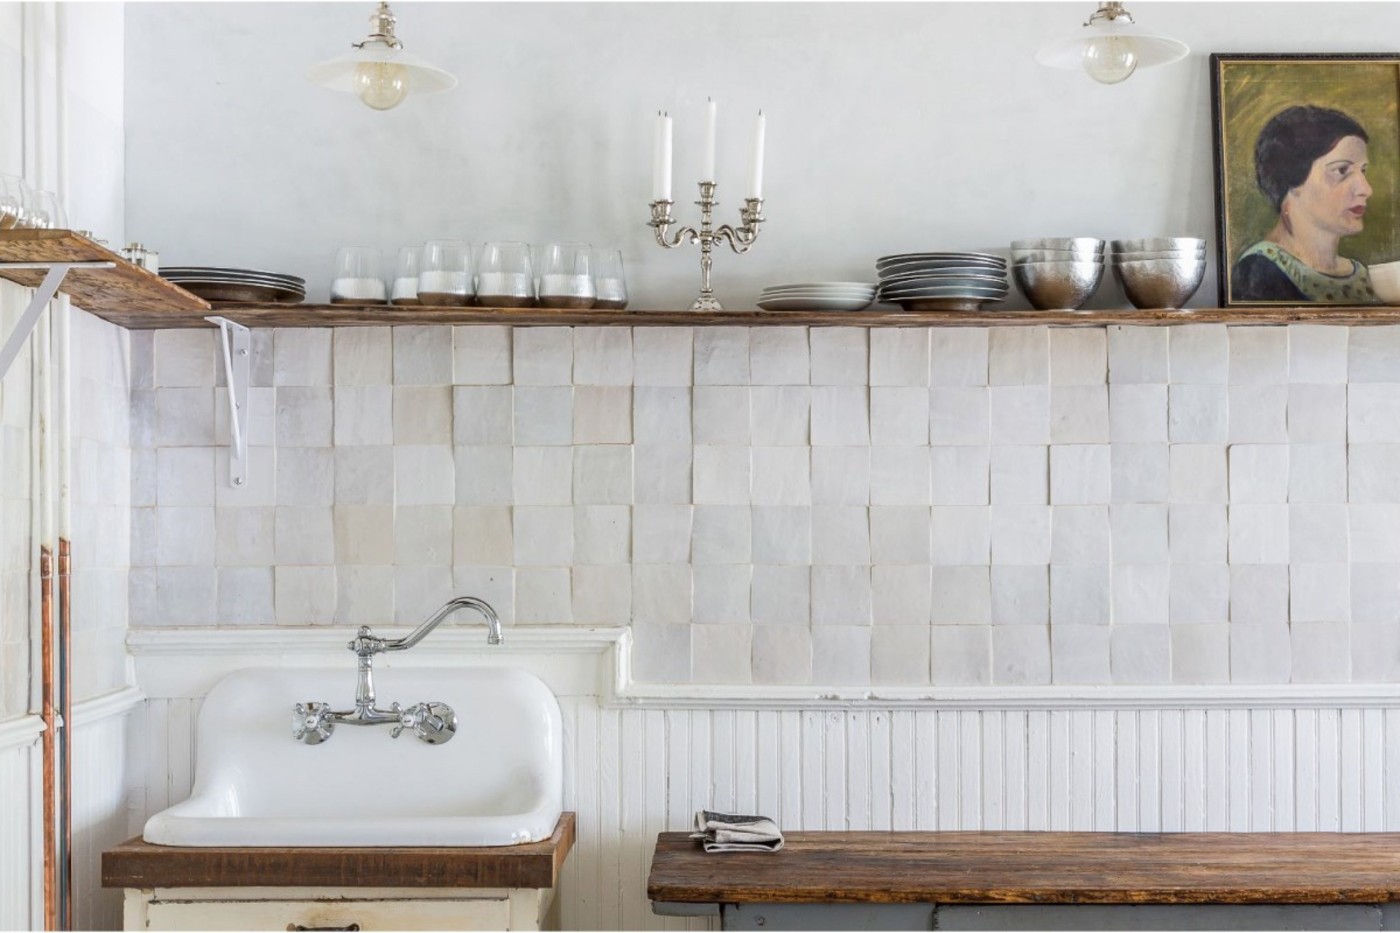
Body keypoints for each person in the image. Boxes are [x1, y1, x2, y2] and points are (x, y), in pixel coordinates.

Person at [1231, 104, 1380, 303]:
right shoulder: (1259, 272)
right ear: (1292, 180)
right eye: (1342, 171)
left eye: (1363, 171)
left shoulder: (1361, 275)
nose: (1365, 189)